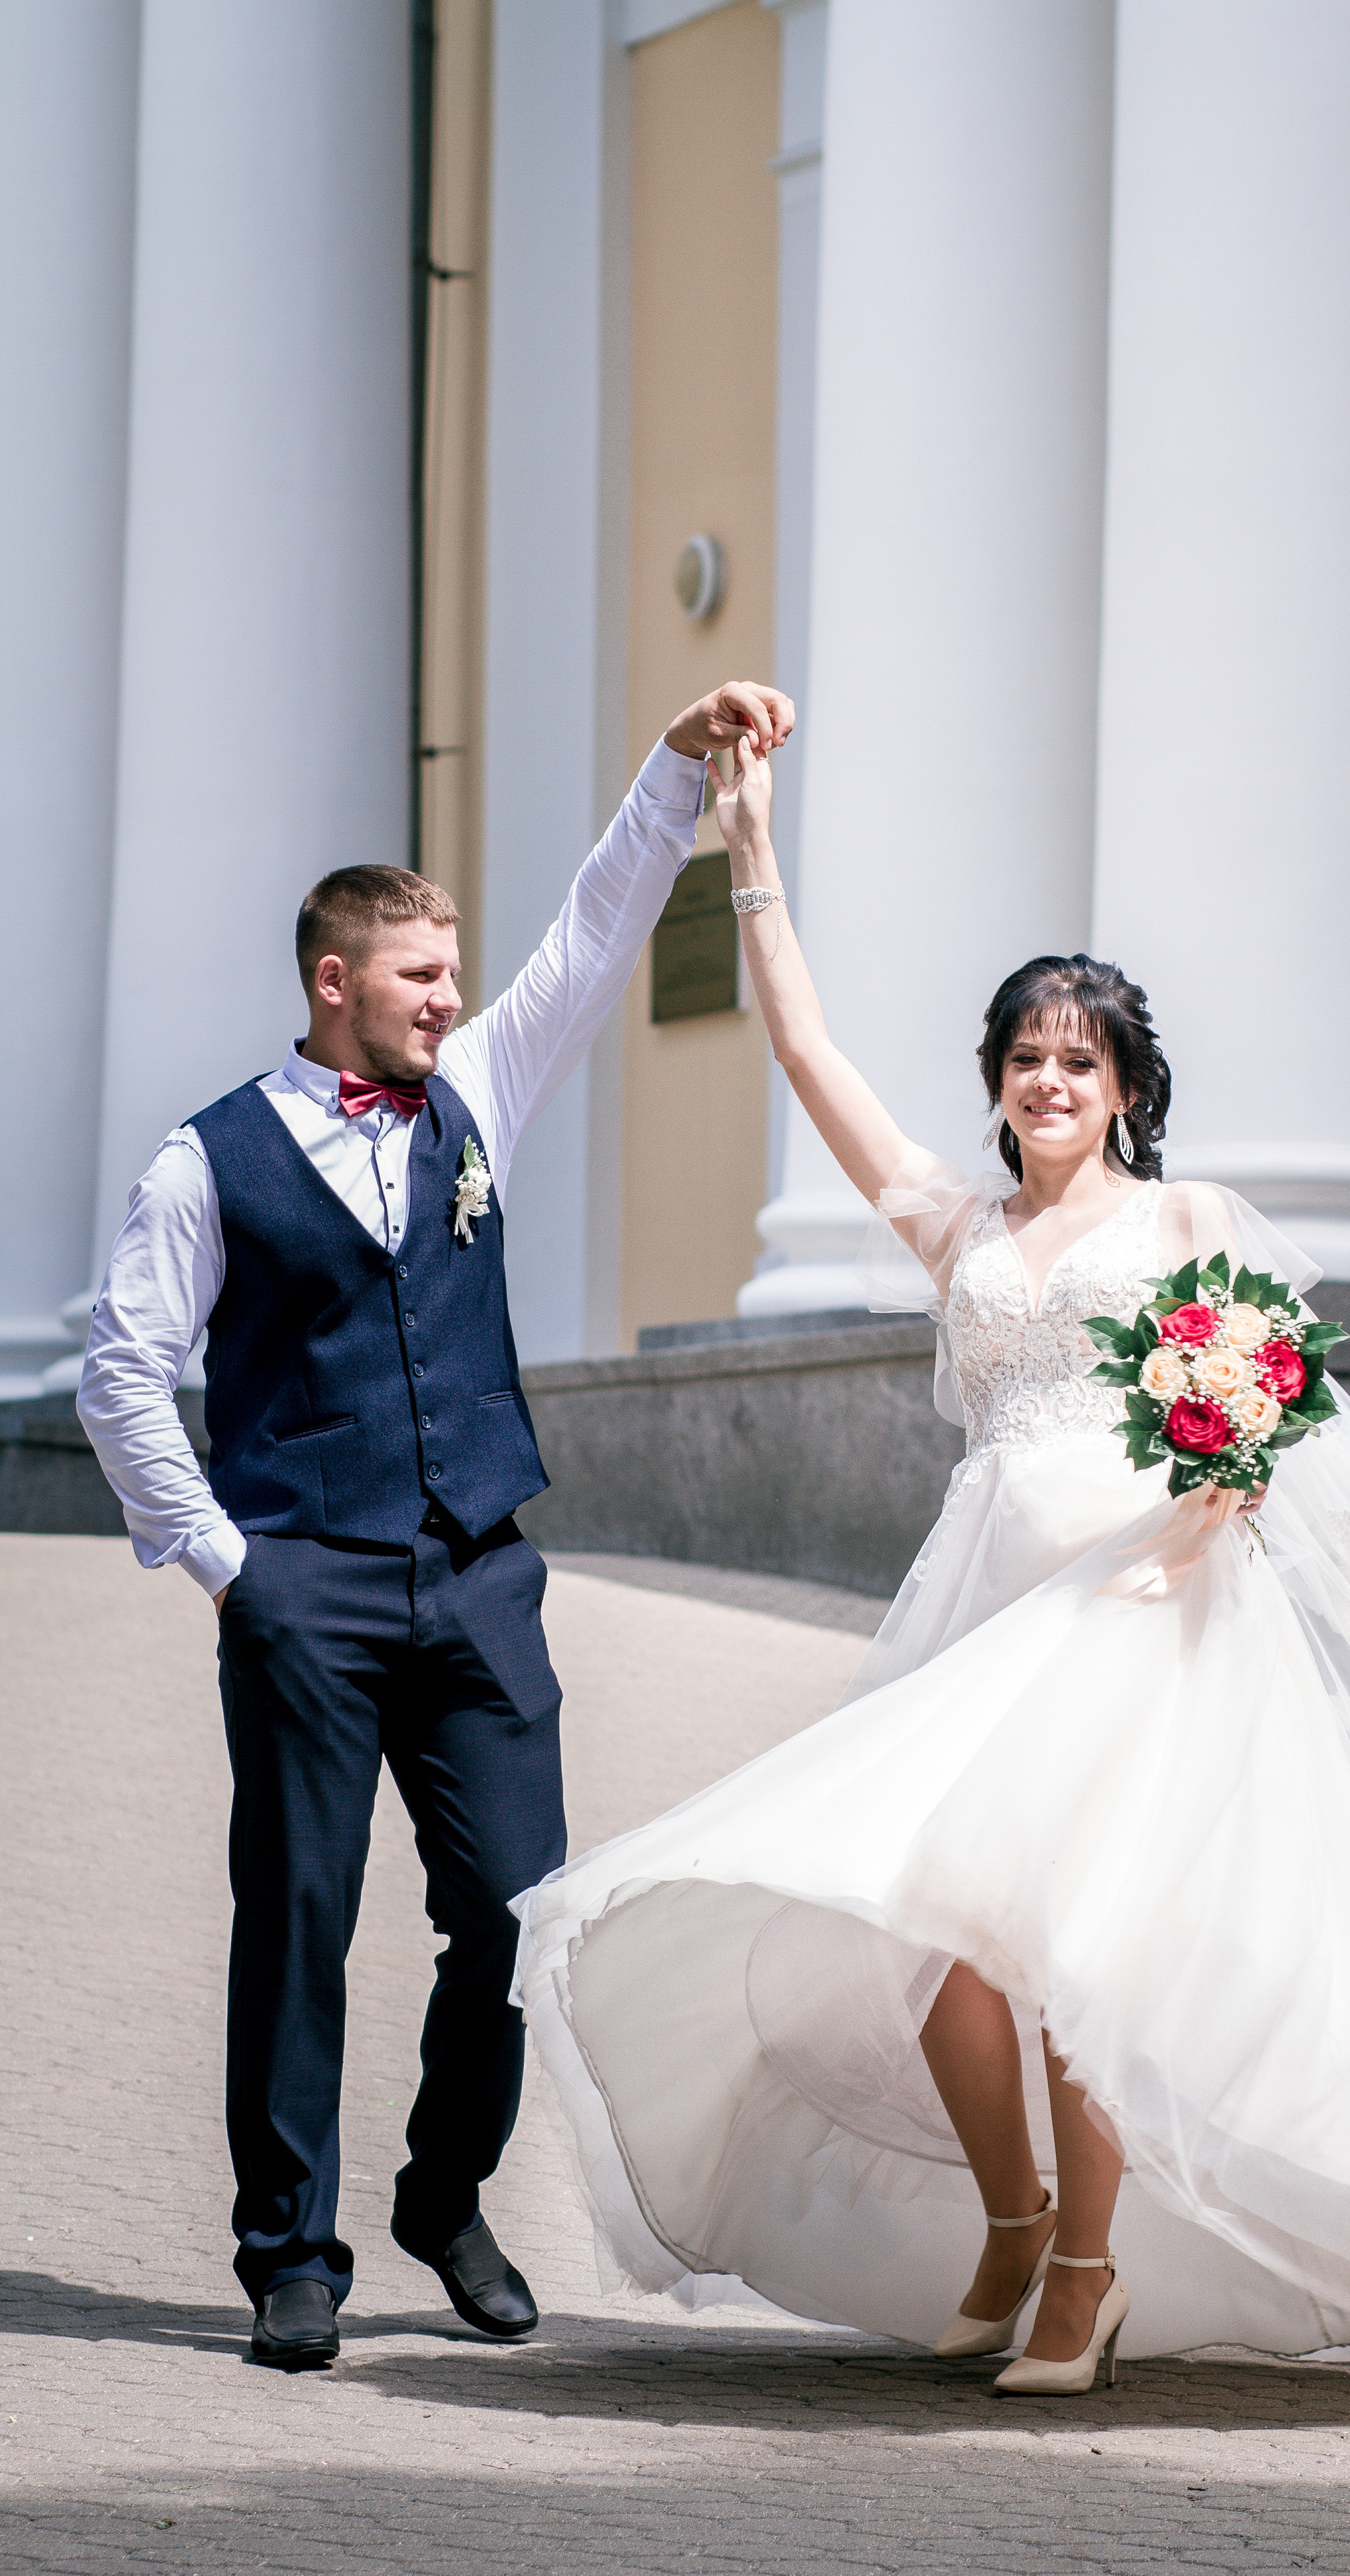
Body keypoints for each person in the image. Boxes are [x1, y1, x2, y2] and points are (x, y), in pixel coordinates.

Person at [511, 729, 1350, 2393]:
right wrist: (750, 850)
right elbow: (801, 1055)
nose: (1047, 1083)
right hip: (990, 1595)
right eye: (1023, 1057)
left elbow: (1266, 1403)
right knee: (943, 1964)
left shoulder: (1184, 1222)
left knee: (1081, 1957)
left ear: (1125, 1088)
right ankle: (1011, 2225)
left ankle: (1083, 2277)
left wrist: (1210, 1501)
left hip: (1146, 1602)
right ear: (998, 1079)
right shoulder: (957, 1228)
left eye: (1078, 1061)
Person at [77, 682, 793, 2370]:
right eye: (416, 975)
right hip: (300, 1585)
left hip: (479, 1573)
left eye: (450, 972)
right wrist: (228, 1565)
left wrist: (676, 771)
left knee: (515, 1911)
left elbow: (596, 933)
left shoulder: (477, 1090)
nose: (449, 996)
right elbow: (124, 1372)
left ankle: (441, 2196)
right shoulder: (207, 1163)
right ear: (335, 983)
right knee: (302, 1915)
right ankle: (289, 2256)